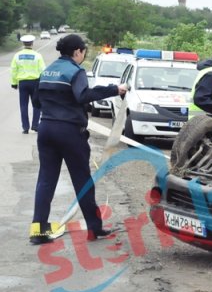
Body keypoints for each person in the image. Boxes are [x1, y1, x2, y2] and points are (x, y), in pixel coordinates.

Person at [29, 34, 128, 245]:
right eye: (84, 52)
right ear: (77, 52)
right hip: (69, 132)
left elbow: (36, 102)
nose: (83, 55)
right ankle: (94, 228)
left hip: (46, 129)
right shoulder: (76, 71)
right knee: (82, 180)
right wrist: (113, 89)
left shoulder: (47, 71)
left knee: (46, 180)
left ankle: (38, 231)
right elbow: (83, 95)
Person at [11, 34, 46, 133]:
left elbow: (13, 70)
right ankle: (35, 125)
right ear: (32, 43)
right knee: (36, 104)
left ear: (23, 43)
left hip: (22, 83)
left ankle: (25, 128)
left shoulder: (17, 55)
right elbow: (43, 70)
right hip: (35, 83)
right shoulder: (37, 55)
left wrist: (14, 82)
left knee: (23, 105)